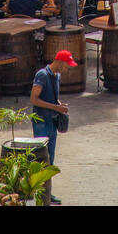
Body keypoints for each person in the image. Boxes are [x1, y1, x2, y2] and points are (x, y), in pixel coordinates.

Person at [30, 49, 76, 203]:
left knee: (50, 159)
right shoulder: (42, 75)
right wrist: (56, 108)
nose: (67, 68)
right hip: (41, 122)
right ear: (60, 62)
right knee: (41, 158)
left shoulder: (57, 76)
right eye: (67, 65)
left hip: (52, 121)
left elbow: (51, 97)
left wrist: (59, 105)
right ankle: (38, 193)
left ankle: (47, 194)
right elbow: (34, 100)